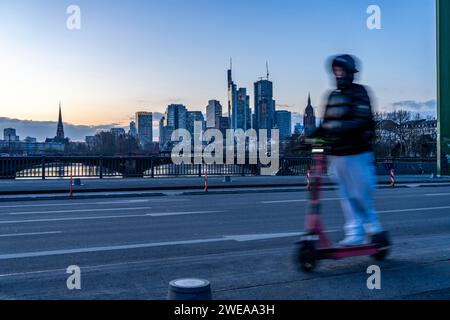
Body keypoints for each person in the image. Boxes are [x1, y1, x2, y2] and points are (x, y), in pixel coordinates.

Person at [311, 54, 384, 246]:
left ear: (350, 73)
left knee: (360, 194)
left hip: (357, 153)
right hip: (337, 155)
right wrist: (308, 137)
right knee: (346, 196)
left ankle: (374, 228)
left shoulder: (360, 92)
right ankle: (355, 233)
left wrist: (337, 131)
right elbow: (325, 124)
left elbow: (362, 120)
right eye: (336, 71)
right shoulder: (332, 96)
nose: (338, 74)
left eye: (341, 70)